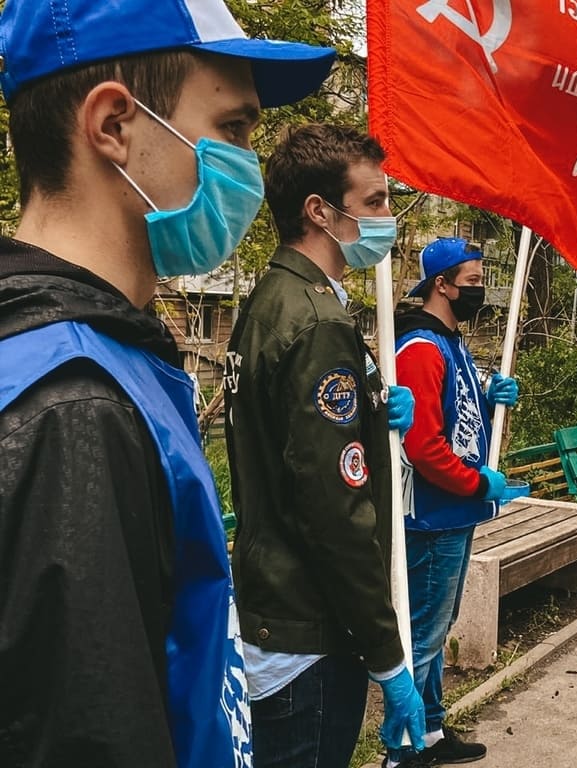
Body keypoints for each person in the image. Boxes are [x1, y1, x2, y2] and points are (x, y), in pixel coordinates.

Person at [0, 1, 335, 765]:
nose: (250, 167)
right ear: (114, 124)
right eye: (234, 129)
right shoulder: (72, 408)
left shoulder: (102, 355)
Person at [223, 124, 426, 767]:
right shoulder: (317, 322)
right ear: (320, 210)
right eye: (375, 203)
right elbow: (335, 512)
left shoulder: (273, 300)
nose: (388, 218)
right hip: (308, 627)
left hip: (276, 608)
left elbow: (288, 443)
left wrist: (369, 410)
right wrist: (389, 657)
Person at [393, 237, 521, 767]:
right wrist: (476, 484)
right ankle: (401, 745)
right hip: (433, 515)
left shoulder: (453, 343)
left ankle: (432, 731)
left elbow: (457, 420)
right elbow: (423, 445)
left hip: (454, 513)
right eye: (471, 282)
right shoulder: (423, 347)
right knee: (424, 632)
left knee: (437, 628)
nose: (480, 291)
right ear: (440, 284)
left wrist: (489, 400)